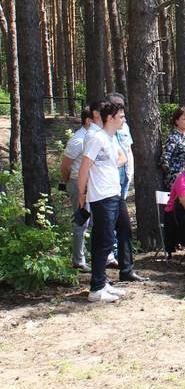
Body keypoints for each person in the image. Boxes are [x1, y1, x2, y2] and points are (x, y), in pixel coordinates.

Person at [76, 102, 144, 303]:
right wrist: (82, 193)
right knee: (103, 240)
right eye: (121, 116)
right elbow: (84, 167)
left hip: (114, 194)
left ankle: (103, 282)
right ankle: (96, 288)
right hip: (101, 197)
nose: (123, 120)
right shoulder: (96, 138)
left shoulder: (111, 138)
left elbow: (121, 158)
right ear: (110, 118)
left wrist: (108, 165)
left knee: (117, 232)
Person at [59, 108, 93, 272]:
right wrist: (69, 183)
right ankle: (78, 261)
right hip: (78, 184)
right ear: (88, 121)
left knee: (90, 222)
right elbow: (65, 166)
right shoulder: (78, 140)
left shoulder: (92, 138)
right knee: (81, 221)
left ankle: (86, 255)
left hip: (91, 185)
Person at [161, 106, 185, 190]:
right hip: (177, 179)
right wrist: (173, 175)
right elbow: (164, 160)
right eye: (184, 119)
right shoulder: (173, 137)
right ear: (177, 121)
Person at [107, 92, 133, 199]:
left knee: (121, 204)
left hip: (125, 174)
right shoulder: (102, 130)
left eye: (122, 105)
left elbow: (128, 149)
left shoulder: (125, 126)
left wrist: (130, 172)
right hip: (111, 177)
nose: (120, 108)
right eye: (117, 105)